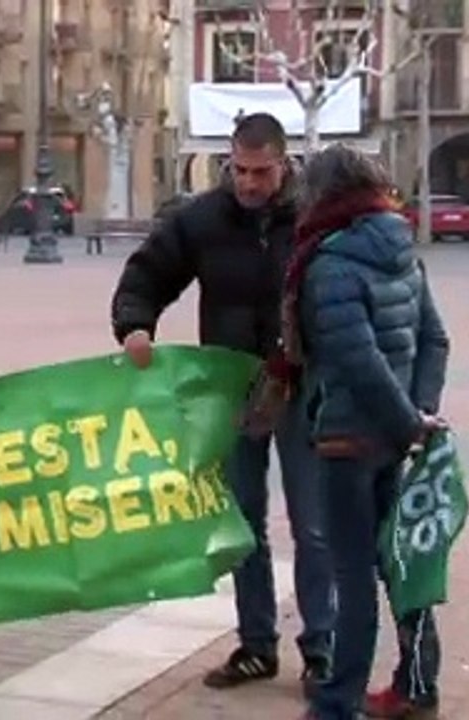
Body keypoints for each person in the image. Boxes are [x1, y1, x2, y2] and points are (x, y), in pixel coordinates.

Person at [110, 113, 334, 693]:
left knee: (313, 526)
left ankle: (323, 649)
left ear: (284, 164)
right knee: (241, 522)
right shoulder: (204, 218)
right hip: (231, 389)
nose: (249, 183)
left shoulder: (317, 214)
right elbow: (149, 272)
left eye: (261, 171)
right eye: (239, 169)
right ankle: (256, 645)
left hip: (302, 386)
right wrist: (135, 324)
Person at [268, 145, 450, 720]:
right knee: (400, 565)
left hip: (348, 440)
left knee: (354, 579)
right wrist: (417, 415)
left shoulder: (329, 263)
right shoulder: (401, 248)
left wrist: (405, 420)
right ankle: (417, 685)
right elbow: (434, 340)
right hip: (395, 439)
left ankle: (337, 702)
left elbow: (357, 359)